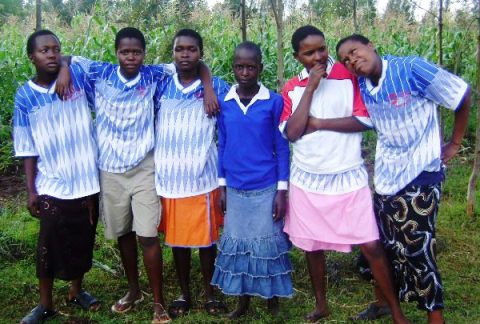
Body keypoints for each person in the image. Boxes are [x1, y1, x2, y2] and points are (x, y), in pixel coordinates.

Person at [56, 27, 217, 324]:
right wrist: (65, 68)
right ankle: (134, 291)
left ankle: (158, 301)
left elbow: (195, 62)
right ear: (116, 53)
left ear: (144, 54)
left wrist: (207, 86)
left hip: (145, 167)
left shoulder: (154, 75)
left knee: (147, 235)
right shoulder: (99, 74)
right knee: (124, 234)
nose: (131, 57)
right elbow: (64, 56)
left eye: (136, 52)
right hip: (110, 170)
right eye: (125, 52)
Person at [332, 34, 471, 323]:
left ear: (371, 45)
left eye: (355, 52)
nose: (352, 61)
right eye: (346, 59)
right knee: (383, 243)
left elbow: (460, 93)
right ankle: (383, 301)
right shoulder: (363, 85)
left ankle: (436, 316)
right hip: (386, 175)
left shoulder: (412, 69)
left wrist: (455, 142)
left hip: (421, 173)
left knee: (418, 248)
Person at [279, 25, 408, 323]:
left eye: (321, 49)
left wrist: (321, 122)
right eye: (308, 52)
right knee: (312, 247)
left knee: (371, 245)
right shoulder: (292, 87)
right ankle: (322, 305)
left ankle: (396, 312)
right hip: (307, 179)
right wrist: (310, 86)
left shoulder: (349, 76)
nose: (318, 56)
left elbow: (364, 119)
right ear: (297, 56)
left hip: (347, 176)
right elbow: (293, 131)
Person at [13, 29, 100, 324]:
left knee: (82, 240)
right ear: (31, 57)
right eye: (44, 50)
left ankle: (77, 291)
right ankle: (45, 304)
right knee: (47, 245)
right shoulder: (25, 97)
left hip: (86, 181)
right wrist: (31, 190)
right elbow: (26, 147)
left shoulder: (77, 77)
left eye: (56, 49)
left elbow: (93, 65)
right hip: (52, 183)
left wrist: (65, 67)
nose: (50, 54)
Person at [211, 41, 293, 319]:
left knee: (267, 246)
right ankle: (242, 302)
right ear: (233, 67)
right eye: (239, 66)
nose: (245, 72)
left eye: (251, 67)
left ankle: (272, 300)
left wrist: (282, 191)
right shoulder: (225, 102)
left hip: (266, 186)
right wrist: (222, 187)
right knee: (240, 246)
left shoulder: (273, 101)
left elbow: (281, 147)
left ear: (260, 67)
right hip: (235, 188)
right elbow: (222, 144)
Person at [154, 29, 229, 318]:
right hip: (170, 180)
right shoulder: (162, 83)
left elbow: (226, 127)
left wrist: (208, 85)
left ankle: (210, 292)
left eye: (192, 49)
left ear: (201, 53)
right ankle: (184, 292)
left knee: (206, 241)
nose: (185, 54)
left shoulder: (217, 87)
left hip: (202, 177)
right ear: (172, 54)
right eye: (179, 49)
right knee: (178, 242)